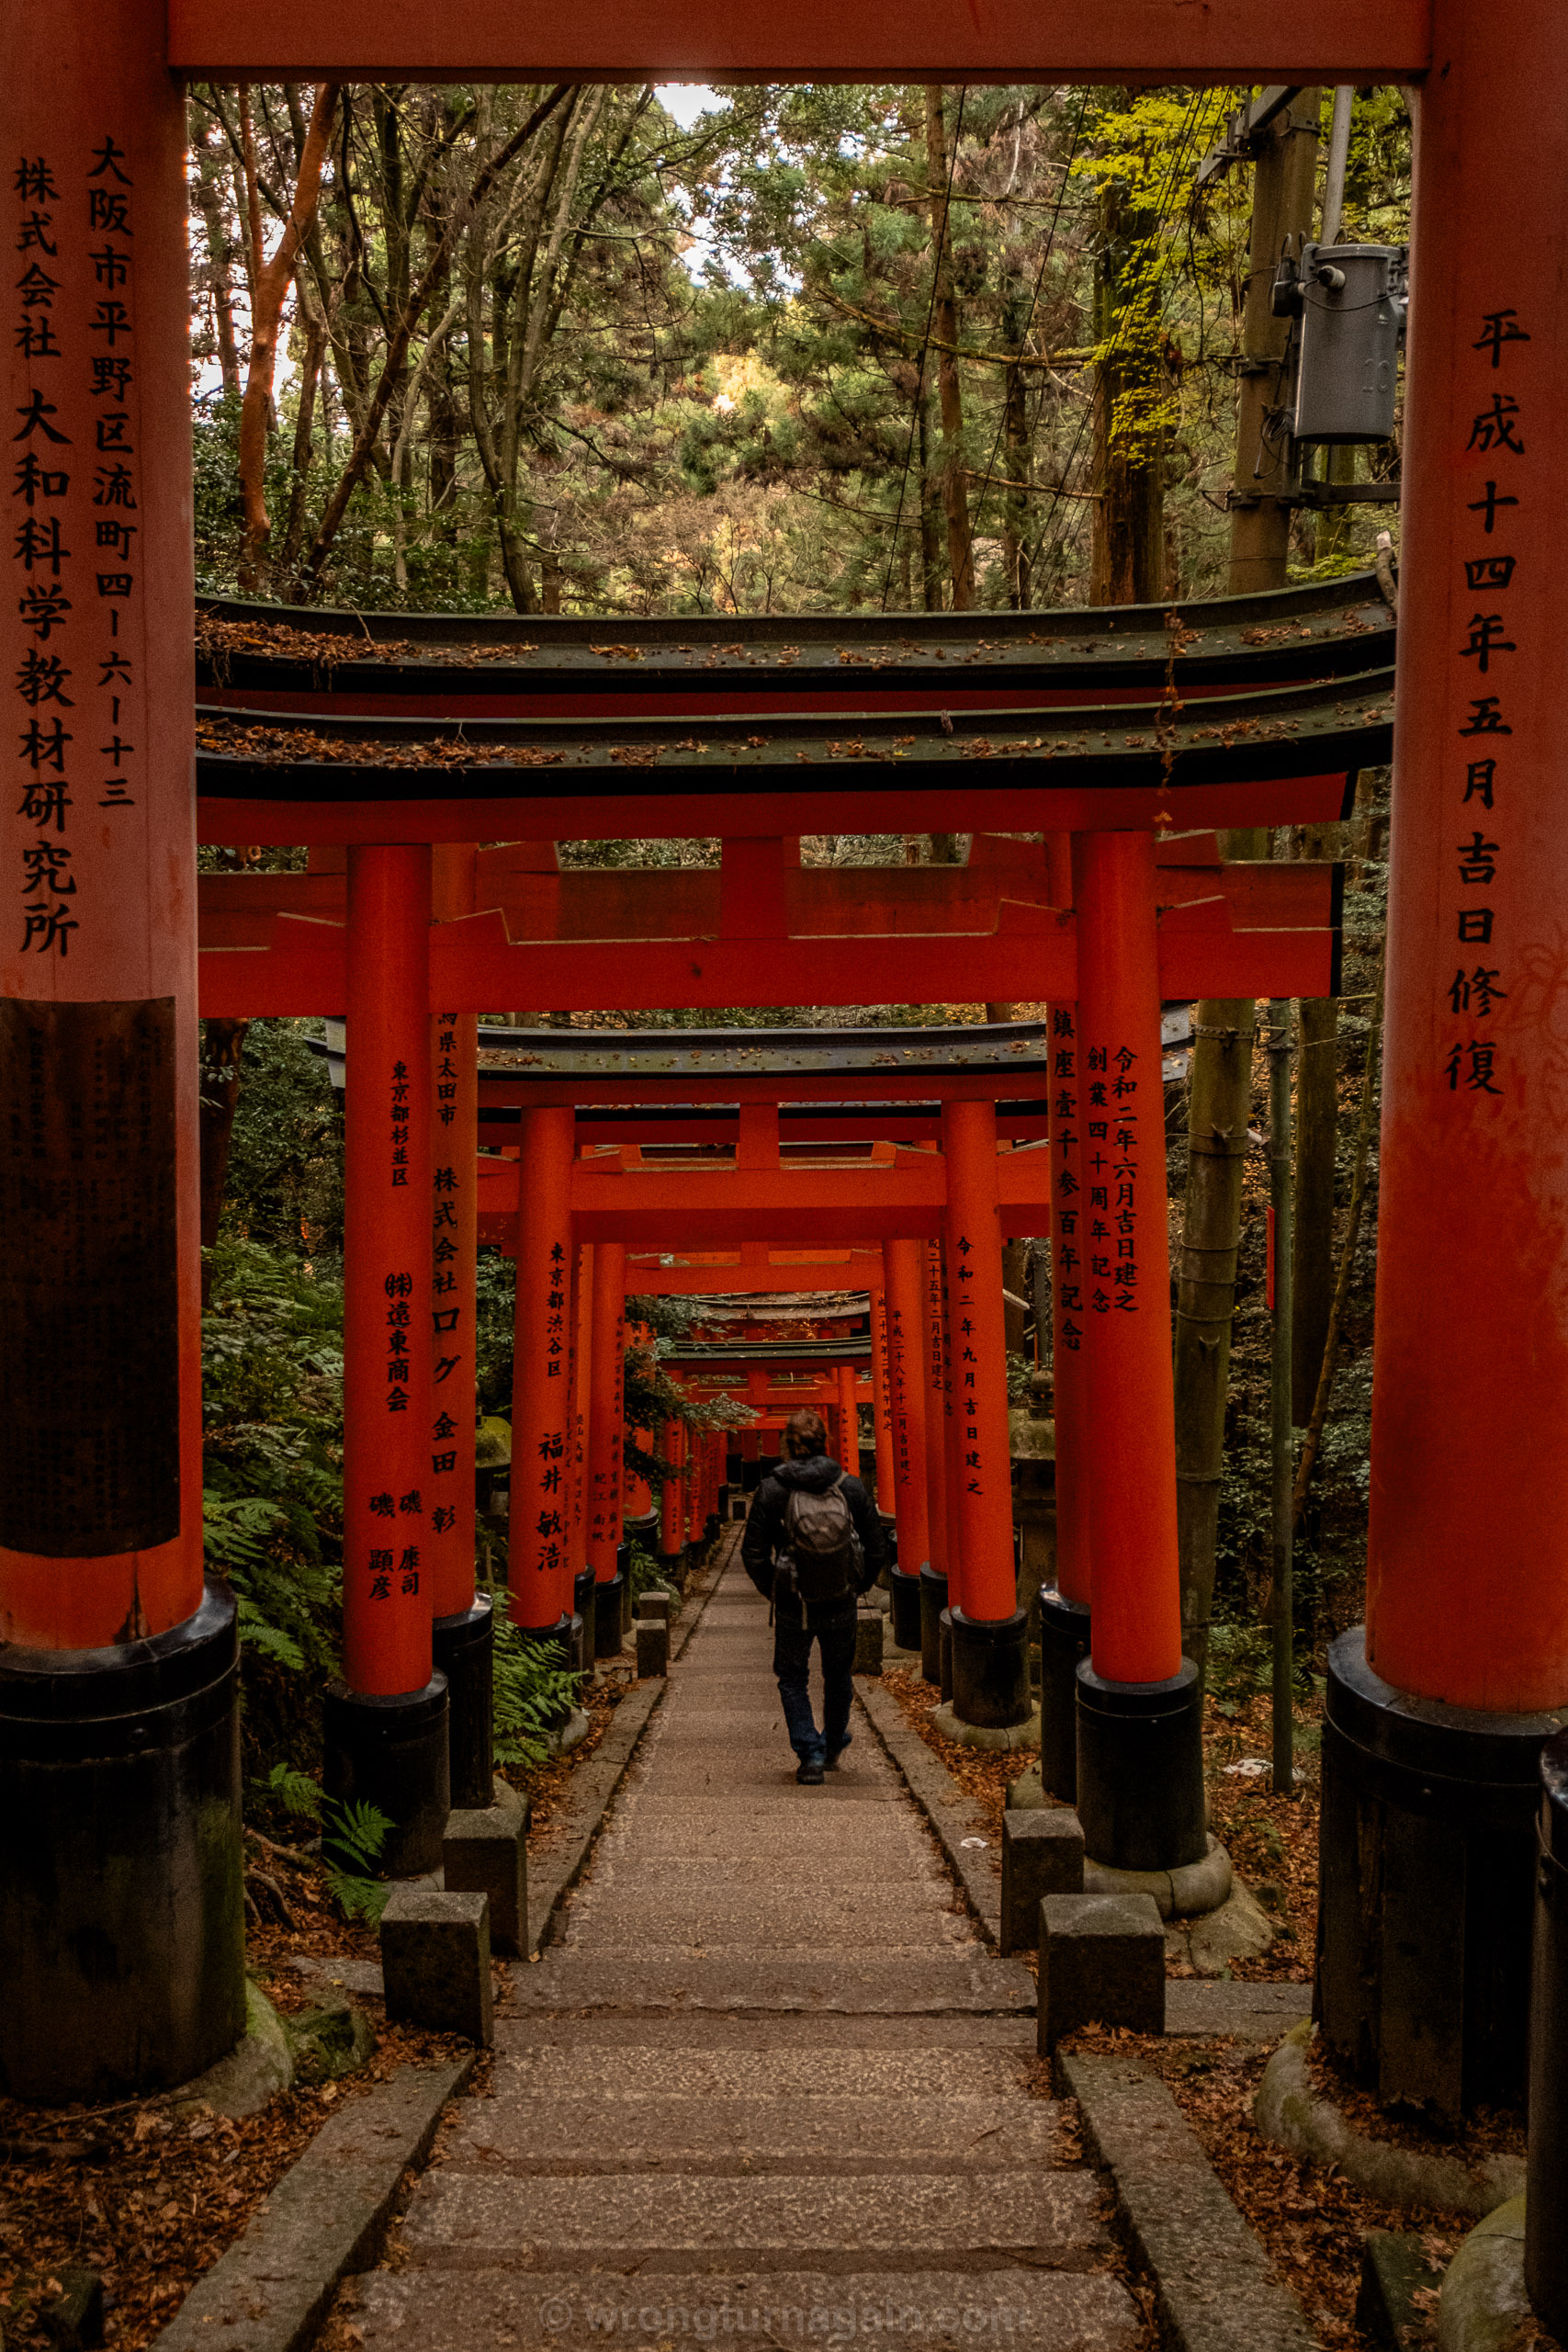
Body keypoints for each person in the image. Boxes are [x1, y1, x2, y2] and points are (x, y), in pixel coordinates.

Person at [741, 1406, 886, 1784]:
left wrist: (776, 1590)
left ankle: (809, 1757)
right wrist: (859, 1585)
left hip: (794, 1600)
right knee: (838, 1674)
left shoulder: (774, 1488)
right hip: (841, 1597)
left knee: (793, 1677)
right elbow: (876, 1547)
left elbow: (753, 1553)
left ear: (786, 1446)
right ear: (827, 1441)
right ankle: (834, 1742)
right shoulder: (849, 1486)